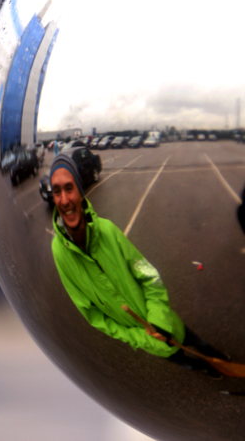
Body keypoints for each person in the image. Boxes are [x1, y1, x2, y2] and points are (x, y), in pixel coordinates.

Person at [49, 152, 228, 377]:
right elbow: (94, 316)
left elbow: (148, 274)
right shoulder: (59, 252)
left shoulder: (108, 231)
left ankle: (217, 357)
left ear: (81, 192)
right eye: (57, 191)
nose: (64, 200)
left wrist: (159, 320)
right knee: (184, 361)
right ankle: (207, 369)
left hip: (166, 322)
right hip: (147, 341)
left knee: (194, 341)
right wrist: (139, 338)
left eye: (69, 188)